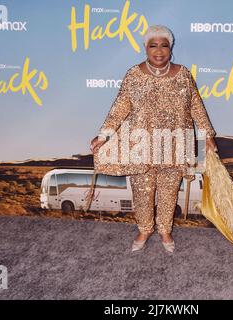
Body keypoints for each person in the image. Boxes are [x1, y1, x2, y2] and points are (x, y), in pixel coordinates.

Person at [90, 25, 217, 253]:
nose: (159, 51)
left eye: (164, 45)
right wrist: (104, 134)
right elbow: (120, 107)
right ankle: (145, 229)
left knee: (169, 191)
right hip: (141, 145)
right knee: (142, 191)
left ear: (171, 48)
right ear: (145, 48)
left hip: (175, 144)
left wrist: (207, 135)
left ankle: (165, 230)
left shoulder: (184, 75)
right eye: (153, 45)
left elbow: (196, 106)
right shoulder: (133, 75)